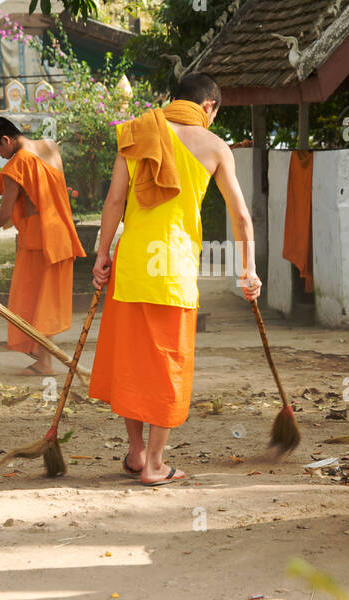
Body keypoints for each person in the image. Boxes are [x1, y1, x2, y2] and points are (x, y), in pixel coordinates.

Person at [89, 72, 261, 486]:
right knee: (168, 363)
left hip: (131, 265)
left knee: (130, 362)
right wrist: (248, 269)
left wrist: (101, 255)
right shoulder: (215, 147)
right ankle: (154, 462)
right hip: (173, 269)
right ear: (208, 107)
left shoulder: (136, 133)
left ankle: (134, 453)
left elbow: (114, 201)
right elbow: (239, 215)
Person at [0, 117, 85, 375]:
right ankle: (41, 357)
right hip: (62, 233)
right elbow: (41, 186)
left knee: (33, 300)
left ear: (6, 140)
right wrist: (5, 182)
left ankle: (44, 362)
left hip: (39, 240)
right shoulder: (49, 146)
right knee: (44, 301)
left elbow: (5, 211)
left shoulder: (17, 164)